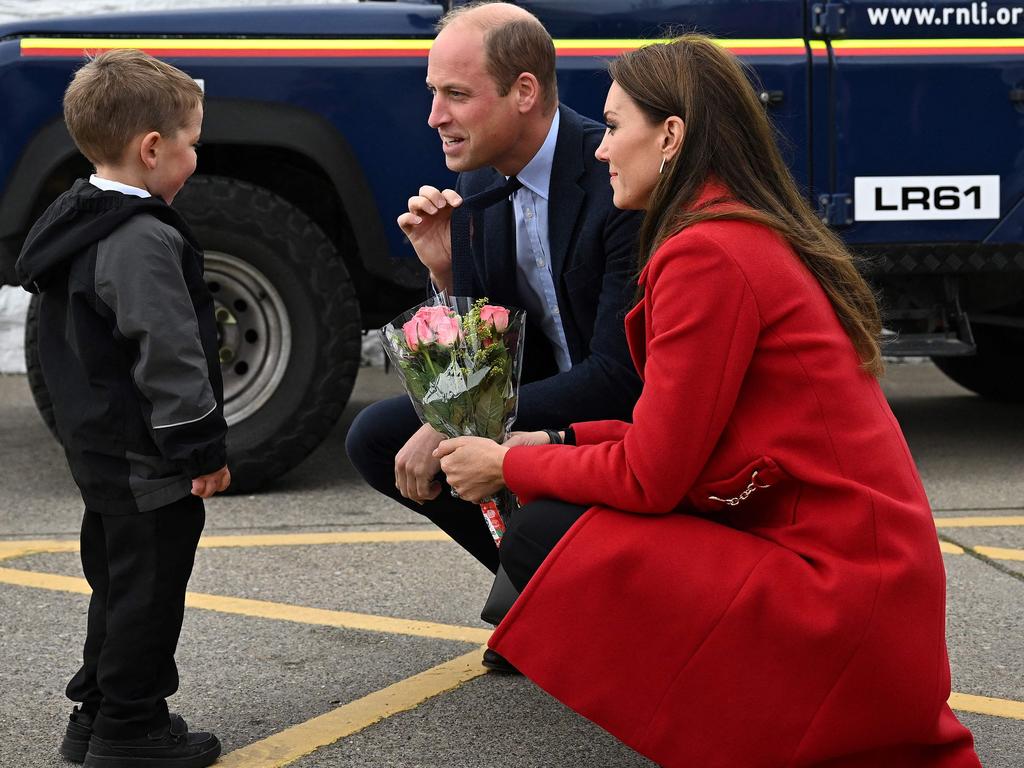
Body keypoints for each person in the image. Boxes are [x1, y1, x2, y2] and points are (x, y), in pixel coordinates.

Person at [434, 35, 982, 768]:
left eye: (615, 127)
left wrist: (511, 464)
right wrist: (551, 446)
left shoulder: (706, 253)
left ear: (670, 137)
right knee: (561, 510)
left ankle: (749, 728)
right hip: (864, 580)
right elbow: (670, 429)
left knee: (548, 533)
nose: (600, 151)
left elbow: (651, 476)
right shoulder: (735, 230)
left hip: (837, 594)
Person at [344, 0, 642, 656]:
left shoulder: (616, 175)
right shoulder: (480, 177)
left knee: (441, 440)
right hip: (540, 395)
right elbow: (488, 350)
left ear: (524, 92)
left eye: (456, 94)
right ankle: (542, 595)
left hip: (624, 418)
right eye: (432, 93)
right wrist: (447, 278)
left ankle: (577, 603)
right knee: (377, 438)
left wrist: (461, 426)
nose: (434, 117)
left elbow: (620, 377)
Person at [15, 49, 228, 768]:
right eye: (193, 143)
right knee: (149, 592)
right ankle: (131, 730)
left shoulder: (77, 221)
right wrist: (201, 451)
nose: (196, 155)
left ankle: (96, 714)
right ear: (152, 148)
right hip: (147, 459)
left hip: (101, 451)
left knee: (117, 583)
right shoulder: (138, 239)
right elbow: (168, 354)